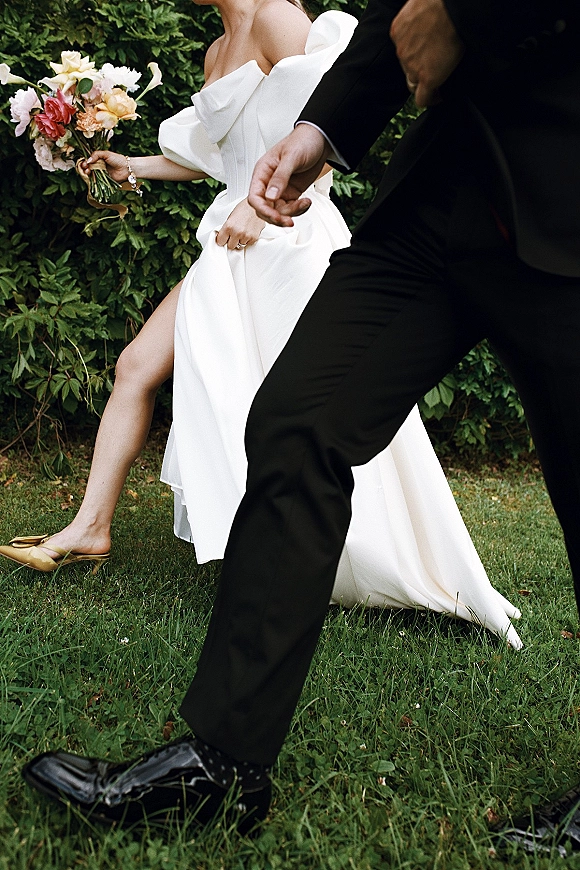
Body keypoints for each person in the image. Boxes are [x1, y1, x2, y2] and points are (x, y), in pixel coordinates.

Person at [26, 0, 580, 849]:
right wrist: (320, 129)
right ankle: (224, 766)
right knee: (296, 423)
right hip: (436, 196)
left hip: (566, 187)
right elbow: (399, 18)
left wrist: (468, 11)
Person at [0, 2, 522, 644]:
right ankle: (91, 528)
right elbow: (221, 156)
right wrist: (131, 166)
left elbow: (331, 129)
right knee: (136, 365)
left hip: (289, 238)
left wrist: (268, 201)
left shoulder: (278, 18)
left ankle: (348, 546)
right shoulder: (216, 49)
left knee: (310, 406)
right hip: (229, 240)